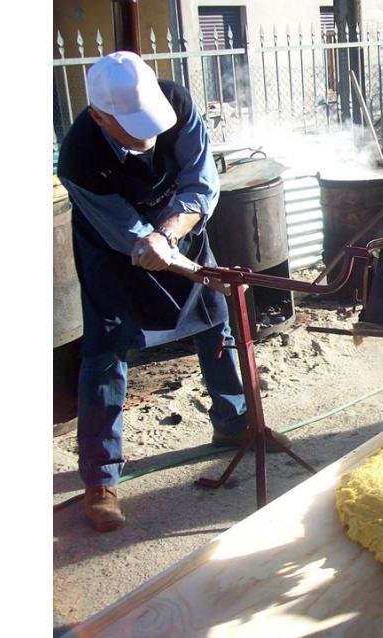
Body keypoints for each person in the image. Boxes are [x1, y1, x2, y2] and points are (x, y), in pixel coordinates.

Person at [57, 52, 290, 532]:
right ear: (100, 117)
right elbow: (125, 230)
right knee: (105, 351)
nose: (149, 135)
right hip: (112, 246)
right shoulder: (79, 157)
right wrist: (152, 241)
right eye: (132, 126)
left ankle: (234, 421)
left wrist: (169, 234)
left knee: (216, 321)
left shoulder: (175, 102)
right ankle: (102, 475)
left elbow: (201, 182)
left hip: (176, 227)